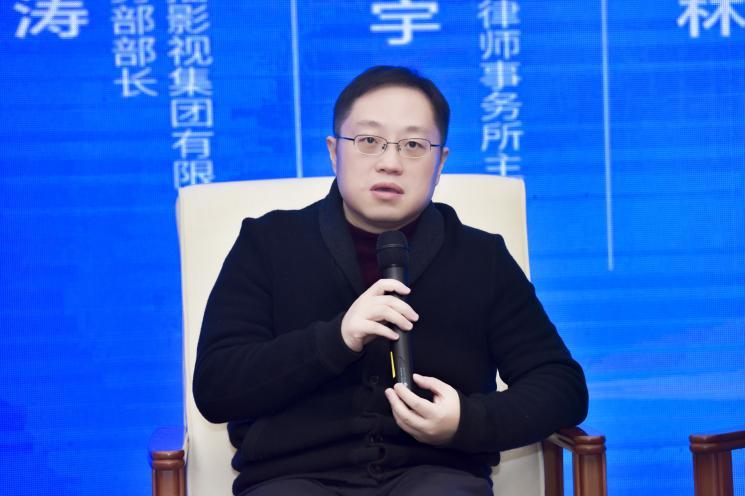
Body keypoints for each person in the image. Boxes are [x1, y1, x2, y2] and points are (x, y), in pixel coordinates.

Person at [193, 66, 588, 496]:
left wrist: (465, 421)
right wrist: (336, 339)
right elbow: (217, 386)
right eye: (368, 141)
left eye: (414, 145)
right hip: (290, 480)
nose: (390, 162)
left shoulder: (481, 257)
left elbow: (561, 387)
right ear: (334, 152)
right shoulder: (268, 243)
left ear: (440, 163)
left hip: (437, 477)